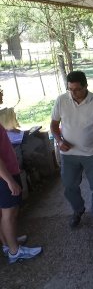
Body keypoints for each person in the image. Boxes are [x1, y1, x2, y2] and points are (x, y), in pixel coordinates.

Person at [50, 71, 93, 230]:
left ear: (86, 86)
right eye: (70, 89)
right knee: (69, 186)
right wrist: (59, 141)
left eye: (77, 89)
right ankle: (78, 210)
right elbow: (53, 124)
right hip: (69, 155)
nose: (73, 93)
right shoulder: (61, 100)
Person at [0, 86, 42, 264]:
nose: (1, 94)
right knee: (10, 213)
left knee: (4, 214)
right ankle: (15, 252)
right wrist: (10, 180)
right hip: (5, 175)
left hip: (7, 173)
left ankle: (8, 243)